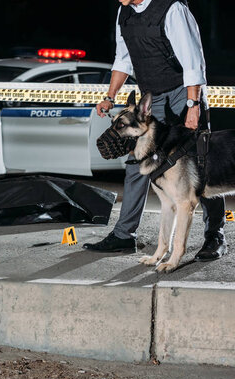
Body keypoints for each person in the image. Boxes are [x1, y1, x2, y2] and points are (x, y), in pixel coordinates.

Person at [83, 0, 227, 261]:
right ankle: (124, 235)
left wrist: (193, 106)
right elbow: (123, 60)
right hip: (152, 99)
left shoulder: (171, 9)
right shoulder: (124, 12)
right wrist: (110, 96)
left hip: (183, 93)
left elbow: (193, 61)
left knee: (202, 163)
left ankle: (214, 235)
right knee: (138, 162)